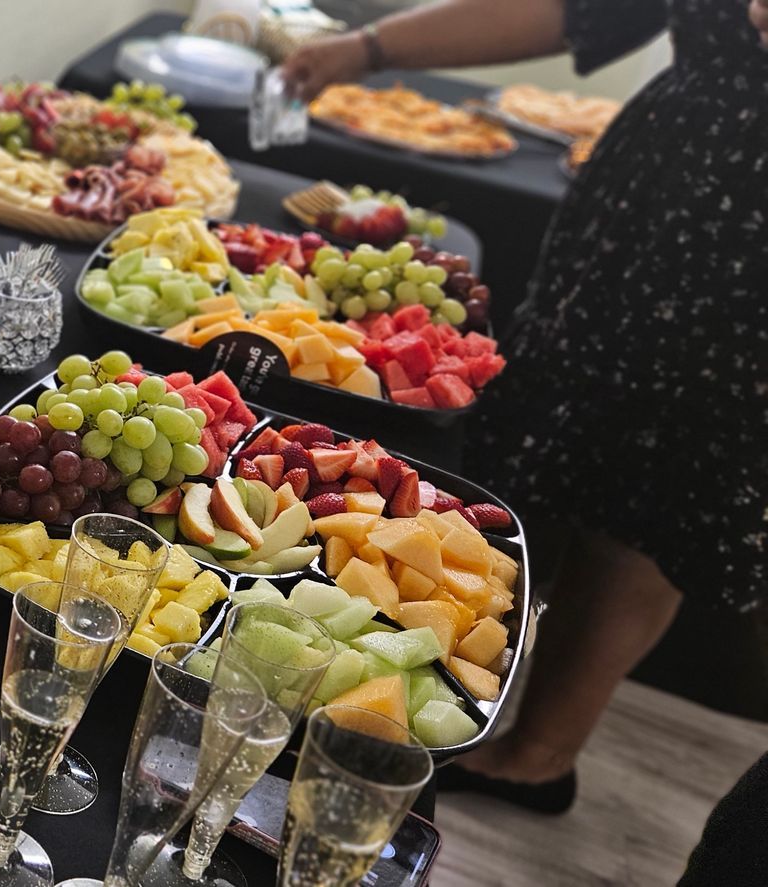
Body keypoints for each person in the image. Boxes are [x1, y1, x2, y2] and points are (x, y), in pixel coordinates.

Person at [283, 0, 768, 814]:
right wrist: (368, 46)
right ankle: (439, 697)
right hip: (646, 208)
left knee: (669, 498)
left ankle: (545, 753)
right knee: (552, 446)